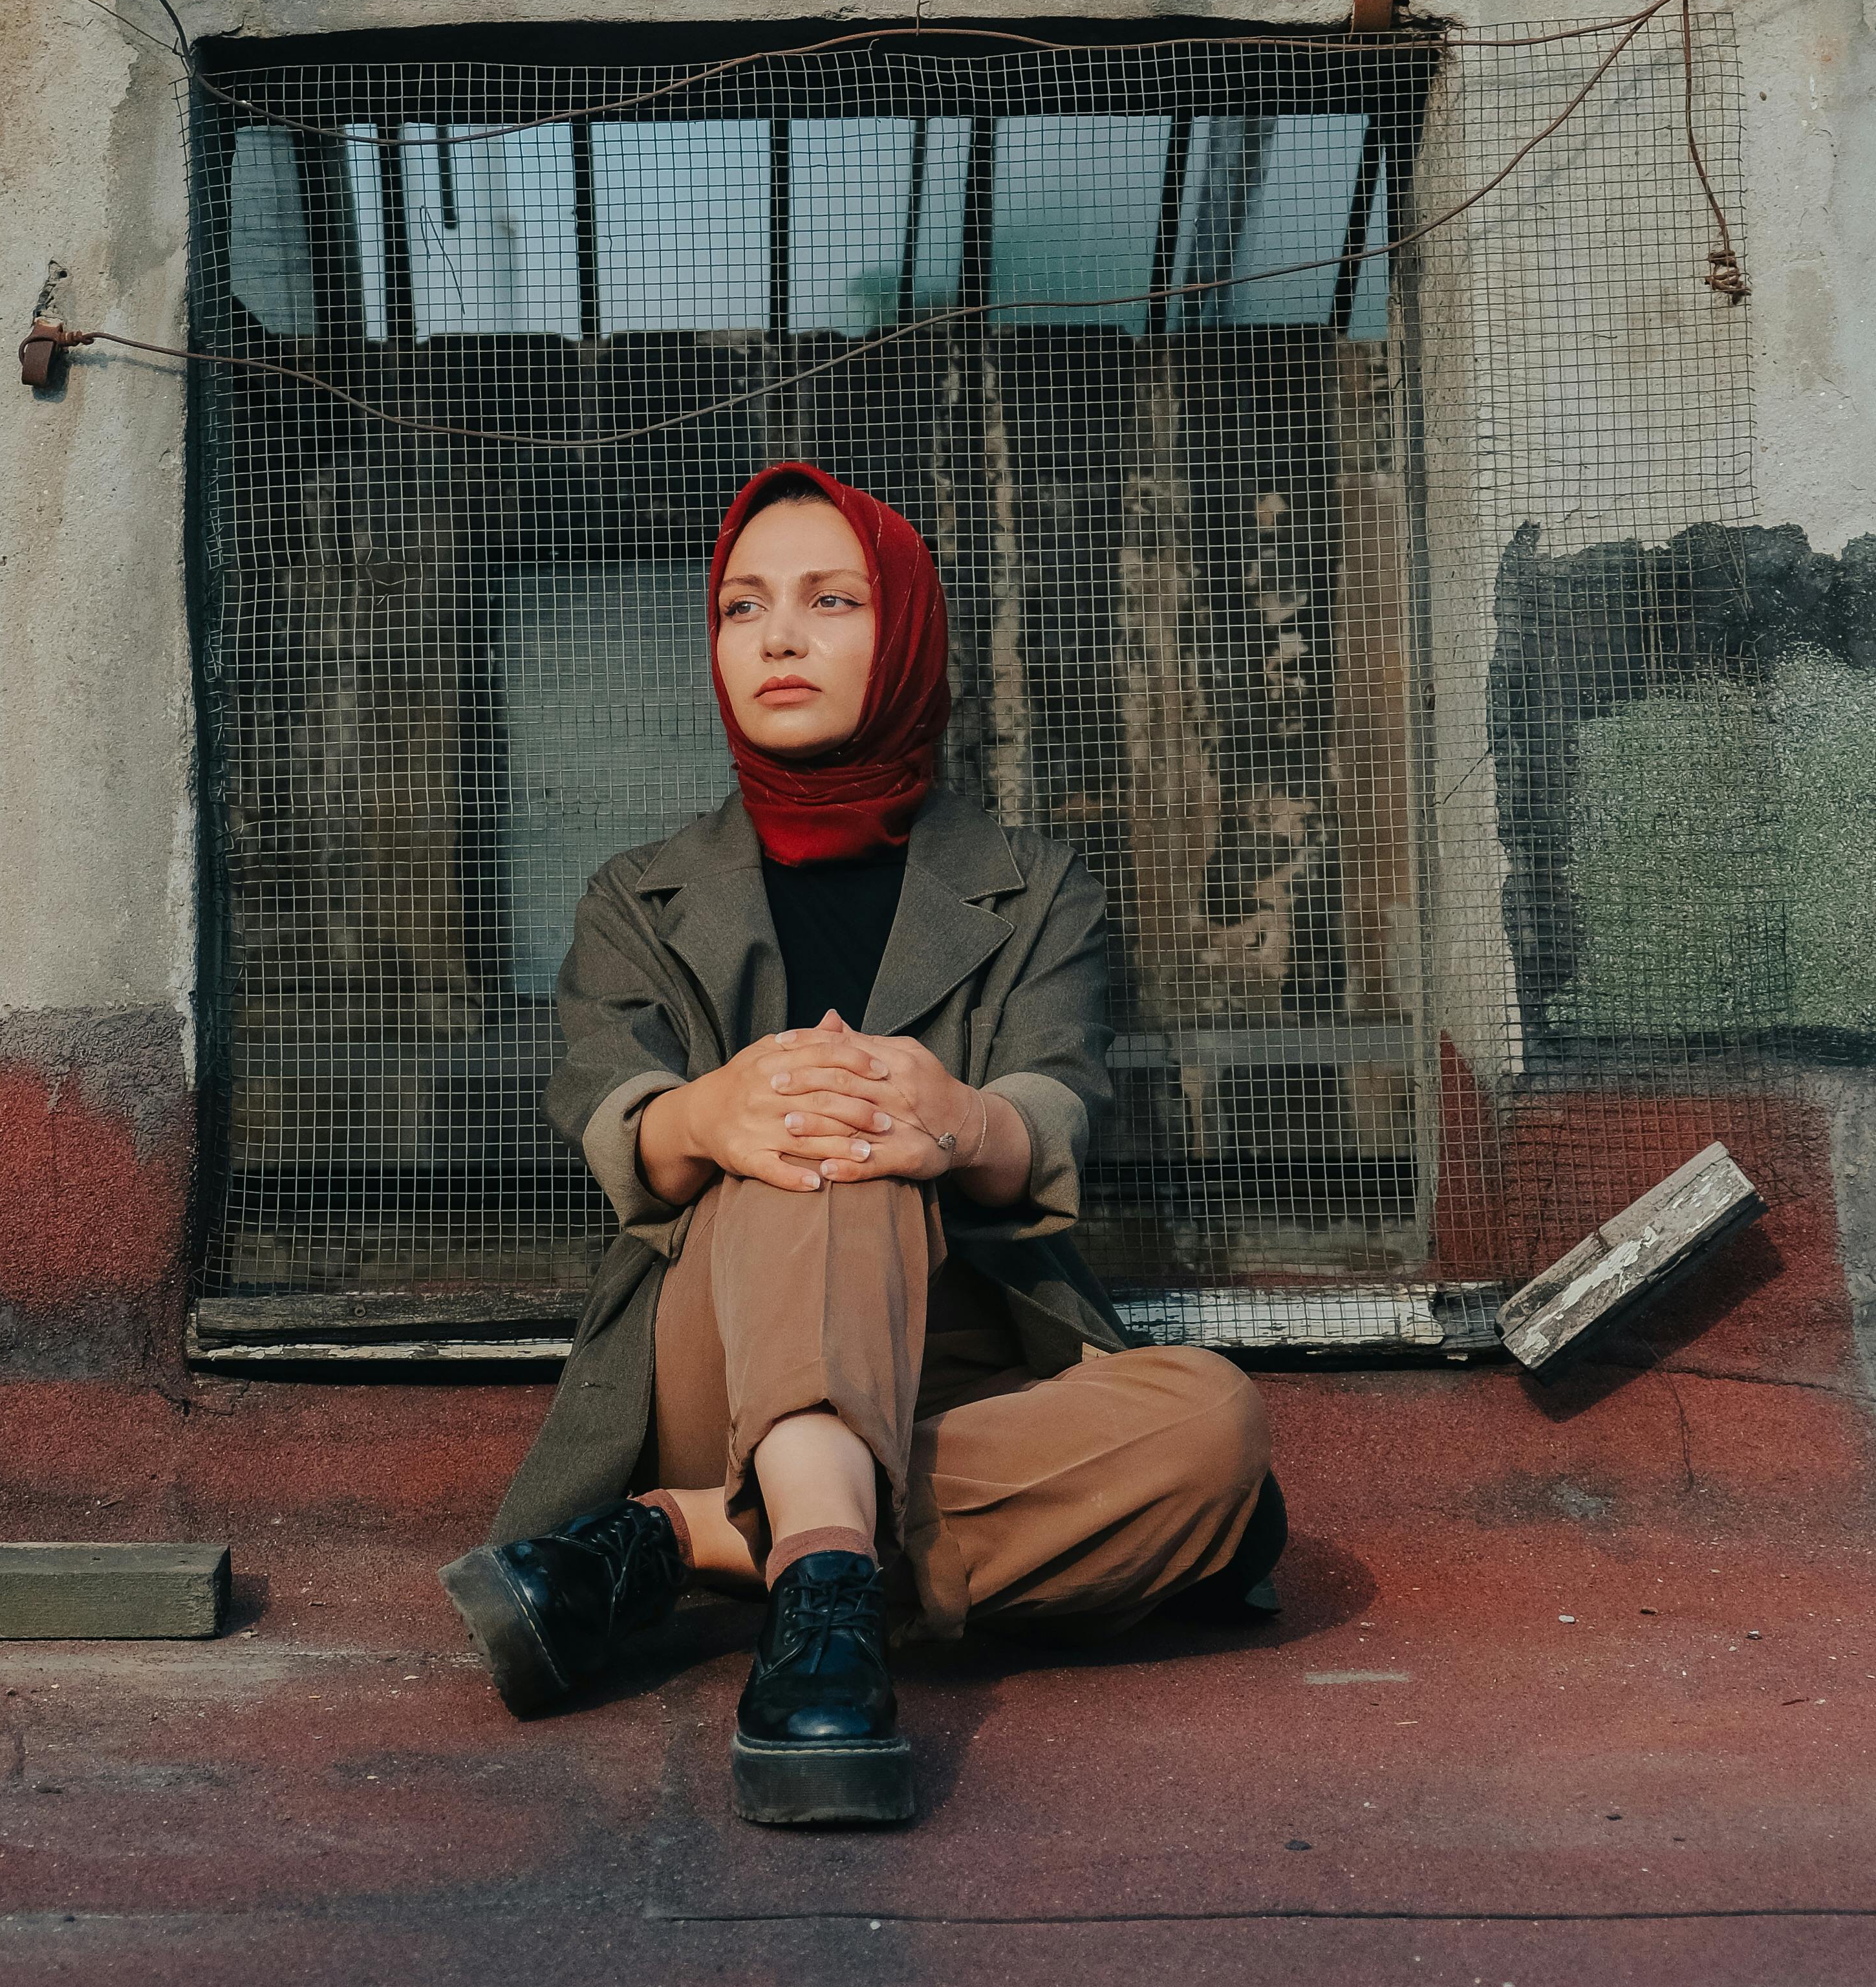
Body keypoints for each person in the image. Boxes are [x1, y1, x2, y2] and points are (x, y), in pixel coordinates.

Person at [442, 461, 1285, 1827]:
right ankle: (827, 1587)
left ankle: (685, 1541)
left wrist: (959, 1119)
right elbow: (608, 1104)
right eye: (742, 605)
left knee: (1212, 1427)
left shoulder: (1033, 886)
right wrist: (711, 1113)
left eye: (831, 601)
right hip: (720, 1348)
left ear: (904, 635)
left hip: (971, 1374)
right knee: (816, 1132)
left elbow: (1061, 1104)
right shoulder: (635, 895)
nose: (776, 637)